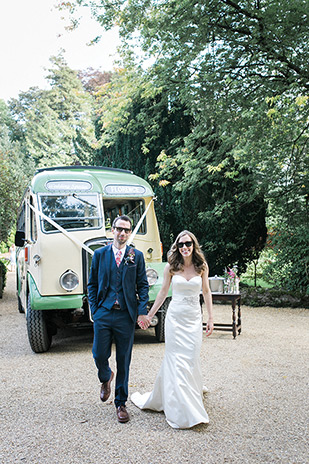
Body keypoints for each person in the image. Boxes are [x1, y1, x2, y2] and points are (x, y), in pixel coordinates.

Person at [131, 230, 214, 429]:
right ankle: (182, 408)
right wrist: (150, 315)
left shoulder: (202, 266)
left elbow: (206, 291)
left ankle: (190, 394)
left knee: (191, 358)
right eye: (181, 244)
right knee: (176, 360)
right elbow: (162, 293)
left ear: (194, 245)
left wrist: (211, 317)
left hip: (193, 319)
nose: (185, 247)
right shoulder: (171, 267)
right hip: (175, 319)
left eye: (188, 244)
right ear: (176, 247)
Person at [88, 215, 149, 423]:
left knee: (124, 360)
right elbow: (92, 284)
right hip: (104, 312)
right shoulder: (99, 255)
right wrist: (95, 310)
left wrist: (142, 311)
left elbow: (142, 285)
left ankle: (120, 403)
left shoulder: (136, 256)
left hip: (125, 315)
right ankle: (105, 377)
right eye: (118, 229)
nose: (122, 233)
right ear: (112, 230)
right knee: (98, 354)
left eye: (126, 230)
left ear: (129, 233)